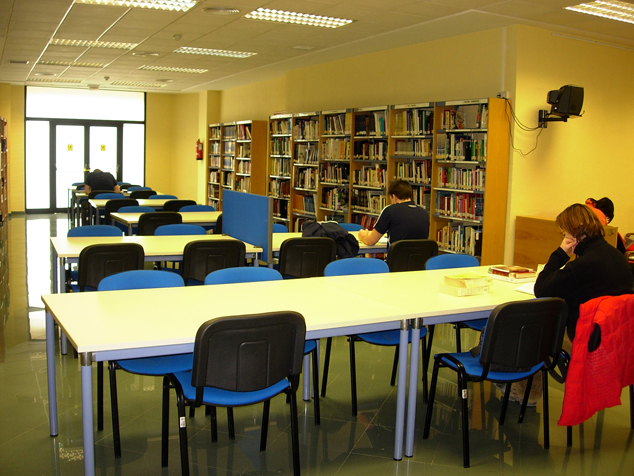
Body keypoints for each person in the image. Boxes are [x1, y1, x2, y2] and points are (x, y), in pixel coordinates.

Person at [534, 203, 633, 341]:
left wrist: (560, 253)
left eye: (564, 234)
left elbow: (541, 290)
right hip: (619, 337)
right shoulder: (618, 256)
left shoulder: (581, 266)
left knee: (539, 336)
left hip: (586, 338)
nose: (564, 238)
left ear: (574, 233)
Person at [358, 179, 429, 246]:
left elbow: (370, 241)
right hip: (421, 255)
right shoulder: (424, 213)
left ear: (394, 197)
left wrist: (363, 236)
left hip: (397, 255)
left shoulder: (390, 210)